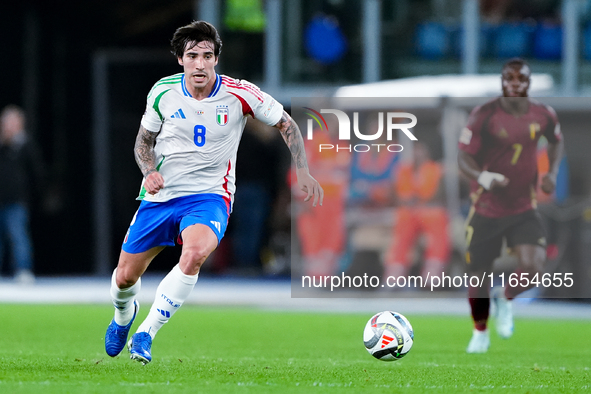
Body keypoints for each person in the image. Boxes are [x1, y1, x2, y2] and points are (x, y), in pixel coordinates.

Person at [104, 21, 324, 364]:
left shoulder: (239, 93)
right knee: (125, 277)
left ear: (216, 59)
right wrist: (148, 172)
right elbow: (143, 142)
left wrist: (303, 169)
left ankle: (146, 333)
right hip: (160, 197)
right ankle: (122, 316)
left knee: (194, 255)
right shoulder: (162, 92)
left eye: (207, 56)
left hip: (209, 196)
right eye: (192, 56)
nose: (200, 64)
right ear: (180, 60)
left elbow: (286, 122)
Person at [458, 57, 563, 353]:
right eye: (509, 78)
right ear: (502, 81)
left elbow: (556, 141)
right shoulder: (484, 114)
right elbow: (463, 158)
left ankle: (505, 297)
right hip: (487, 206)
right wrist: (482, 176)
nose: (514, 84)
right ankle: (480, 331)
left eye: (520, 79)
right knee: (478, 276)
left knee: (534, 266)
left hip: (522, 206)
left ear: (528, 82)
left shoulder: (543, 114)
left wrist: (551, 173)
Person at [383, 142, 450, 284]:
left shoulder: (436, 169)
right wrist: (407, 201)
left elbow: (440, 194)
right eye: (414, 151)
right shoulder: (403, 170)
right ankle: (395, 273)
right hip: (409, 212)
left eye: (420, 150)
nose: (417, 154)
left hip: (429, 212)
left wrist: (420, 200)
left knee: (437, 227)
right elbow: (394, 193)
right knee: (402, 232)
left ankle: (433, 274)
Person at [0, 105, 46, 284]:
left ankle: (23, 270)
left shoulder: (25, 145)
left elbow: (36, 172)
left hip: (17, 200)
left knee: (18, 236)